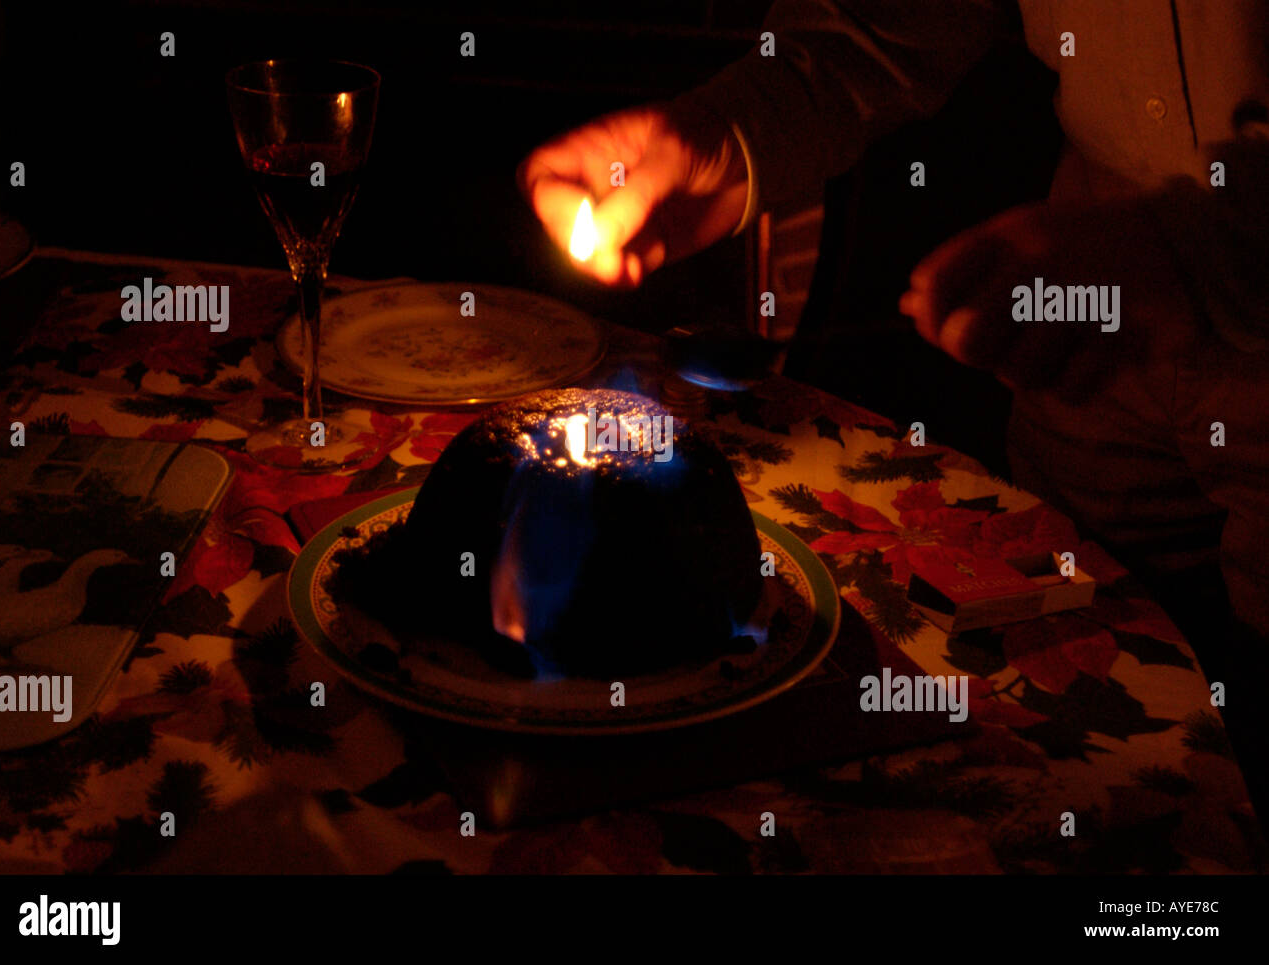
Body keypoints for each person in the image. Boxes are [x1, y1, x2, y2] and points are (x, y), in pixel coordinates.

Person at [520, 0, 1269, 818]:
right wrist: (727, 133)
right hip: (1088, 349)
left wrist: (1185, 246)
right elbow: (899, 20)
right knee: (1094, 736)